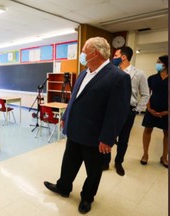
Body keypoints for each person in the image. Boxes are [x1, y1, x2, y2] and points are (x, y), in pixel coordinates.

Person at [43, 37, 131, 214]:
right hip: (75, 130)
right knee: (68, 163)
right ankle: (63, 187)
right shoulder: (84, 72)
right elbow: (74, 98)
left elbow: (118, 112)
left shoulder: (118, 77)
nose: (82, 53)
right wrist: (66, 116)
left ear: (95, 53)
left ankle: (87, 197)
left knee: (93, 171)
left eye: (84, 50)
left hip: (95, 136)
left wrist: (107, 138)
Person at [103, 46, 149, 176]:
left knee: (123, 139)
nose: (113, 57)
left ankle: (119, 162)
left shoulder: (138, 73)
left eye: (116, 55)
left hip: (128, 110)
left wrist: (137, 109)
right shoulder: (110, 71)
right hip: (111, 109)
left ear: (123, 57)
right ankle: (105, 161)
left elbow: (145, 94)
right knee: (108, 136)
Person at [140, 55, 168, 168]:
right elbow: (147, 94)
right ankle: (145, 154)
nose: (157, 64)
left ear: (166, 64)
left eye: (159, 62)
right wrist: (149, 108)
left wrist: (168, 112)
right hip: (152, 108)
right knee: (148, 130)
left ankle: (164, 157)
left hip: (167, 111)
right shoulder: (152, 78)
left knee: (167, 133)